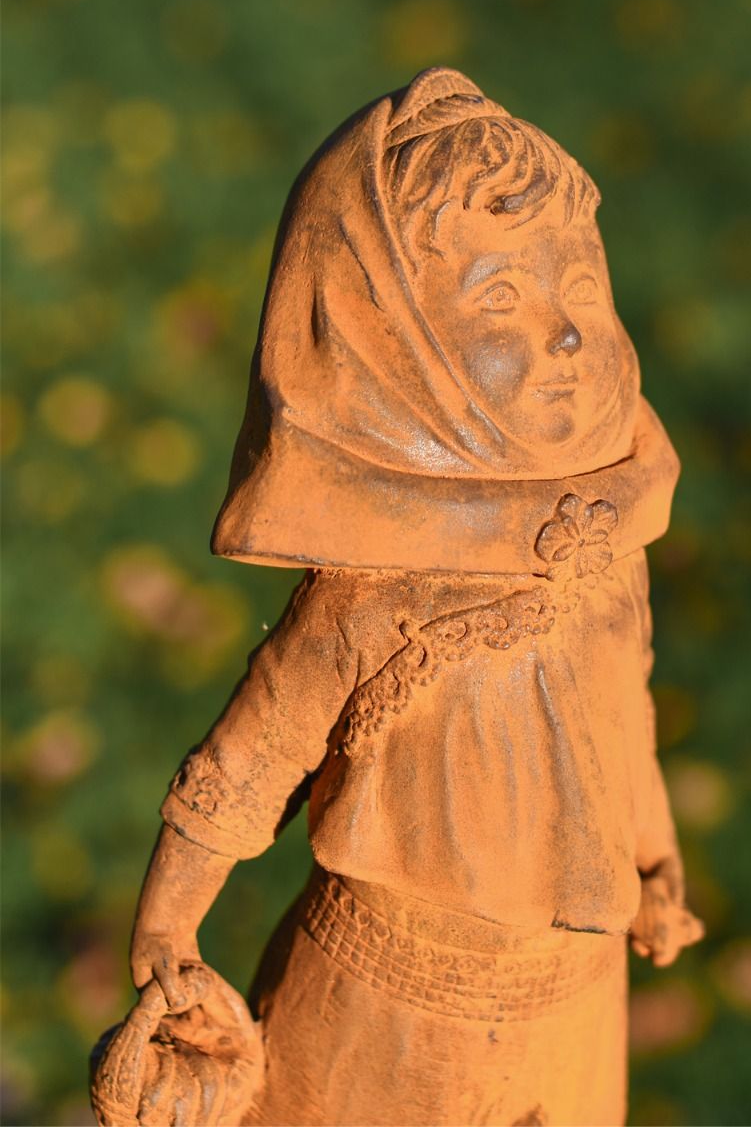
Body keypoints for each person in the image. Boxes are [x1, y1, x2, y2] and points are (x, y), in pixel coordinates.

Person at [128, 68, 703, 1127]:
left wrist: (656, 859)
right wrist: (167, 934)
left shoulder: (611, 535)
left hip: (572, 1000)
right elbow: (242, 771)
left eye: (577, 291)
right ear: (392, 349)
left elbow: (628, 722)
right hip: (382, 1014)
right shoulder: (366, 601)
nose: (567, 338)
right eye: (499, 300)